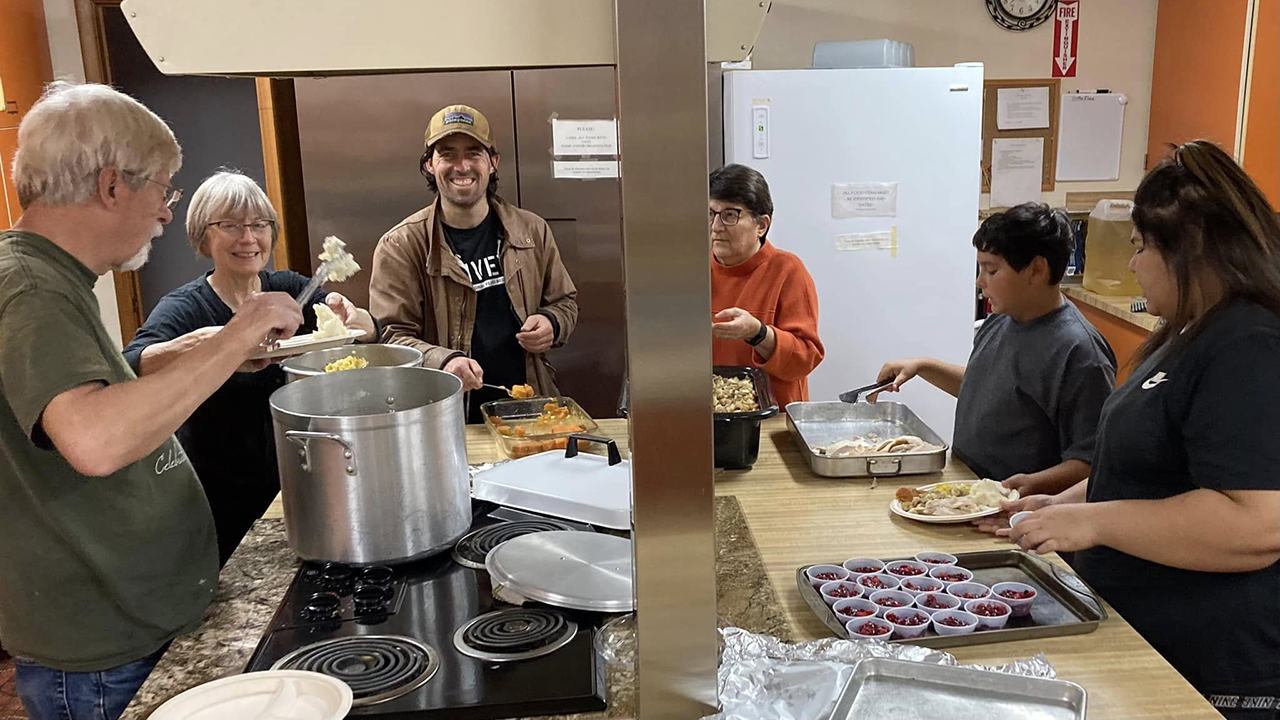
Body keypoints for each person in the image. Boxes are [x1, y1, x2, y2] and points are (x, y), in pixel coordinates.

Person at [0, 82, 302, 720]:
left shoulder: (55, 280)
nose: (167, 212)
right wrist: (237, 334)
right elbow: (94, 439)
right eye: (165, 190)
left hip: (131, 621)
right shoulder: (29, 286)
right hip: (100, 651)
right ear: (112, 186)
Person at [984, 142, 1280, 720]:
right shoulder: (1187, 332)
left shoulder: (1250, 345)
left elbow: (1256, 521)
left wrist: (1091, 521)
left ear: (1190, 249)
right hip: (1140, 624)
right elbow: (1145, 469)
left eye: (1141, 247)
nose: (1132, 264)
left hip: (1213, 662)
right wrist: (1059, 501)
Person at [121, 170, 376, 565]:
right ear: (203, 235)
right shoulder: (187, 306)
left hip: (299, 483)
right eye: (230, 225)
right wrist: (218, 343)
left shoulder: (289, 289)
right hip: (219, 499)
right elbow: (134, 362)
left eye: (259, 225)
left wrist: (349, 312)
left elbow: (366, 329)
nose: (248, 238)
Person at [872, 203, 1116, 496]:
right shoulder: (1001, 319)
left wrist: (1028, 485)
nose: (979, 281)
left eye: (991, 269)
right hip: (970, 490)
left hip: (1018, 514)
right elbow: (988, 390)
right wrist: (922, 366)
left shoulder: (1080, 353)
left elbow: (1092, 461)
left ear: (1036, 270)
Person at [370, 104, 578, 422]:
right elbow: (390, 338)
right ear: (429, 165)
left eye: (473, 153)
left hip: (531, 407)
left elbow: (565, 301)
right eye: (448, 154)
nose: (462, 166)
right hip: (442, 413)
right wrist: (444, 360)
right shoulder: (401, 245)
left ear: (493, 163)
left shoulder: (532, 231)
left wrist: (552, 322)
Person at [709, 164, 824, 408]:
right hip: (707, 418)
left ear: (762, 225)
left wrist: (758, 333)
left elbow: (805, 358)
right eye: (711, 213)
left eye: (730, 215)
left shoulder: (788, 271)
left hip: (773, 420)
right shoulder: (692, 273)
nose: (716, 227)